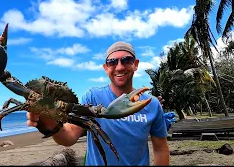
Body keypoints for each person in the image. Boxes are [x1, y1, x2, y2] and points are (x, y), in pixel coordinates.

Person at [26, 41, 170, 165]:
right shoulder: (93, 97)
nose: (119, 67)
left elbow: (161, 149)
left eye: (126, 60)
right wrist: (51, 125)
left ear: (136, 64)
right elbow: (69, 136)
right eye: (112, 62)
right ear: (105, 68)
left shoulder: (151, 104)